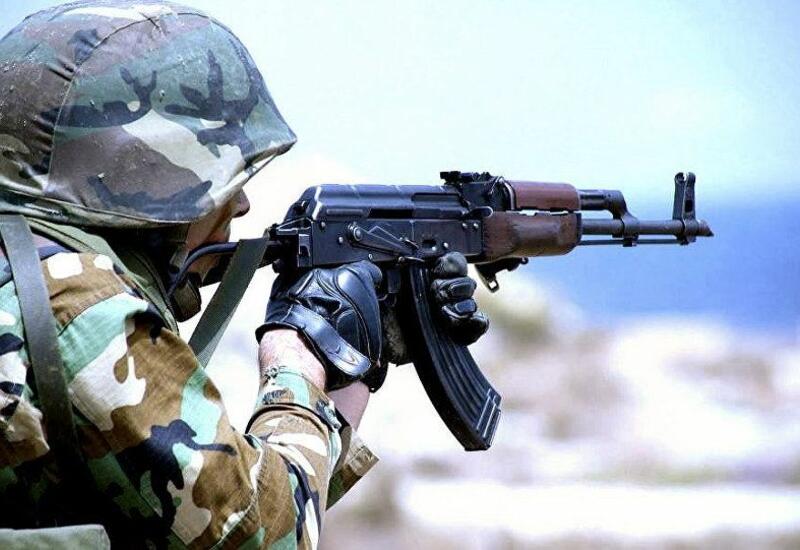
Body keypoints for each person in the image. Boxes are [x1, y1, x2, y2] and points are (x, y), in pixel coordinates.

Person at [0, 1, 488, 548]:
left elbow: (236, 510)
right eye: (220, 179)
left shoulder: (26, 278)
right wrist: (297, 360)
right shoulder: (78, 307)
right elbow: (261, 533)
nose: (241, 204)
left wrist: (352, 362)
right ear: (151, 181)